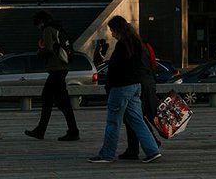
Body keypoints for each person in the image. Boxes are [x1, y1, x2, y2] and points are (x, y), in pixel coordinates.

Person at [89, 15, 161, 164]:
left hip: (120, 88)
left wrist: (109, 86)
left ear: (117, 29)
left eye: (112, 30)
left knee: (113, 122)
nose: (112, 34)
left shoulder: (122, 45)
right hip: (136, 86)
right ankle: (152, 150)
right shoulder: (137, 42)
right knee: (137, 120)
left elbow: (115, 69)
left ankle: (107, 154)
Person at [24, 11, 79, 141]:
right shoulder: (57, 28)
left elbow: (48, 49)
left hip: (56, 69)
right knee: (51, 99)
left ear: (40, 22)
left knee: (57, 100)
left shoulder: (47, 30)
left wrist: (39, 51)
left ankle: (72, 131)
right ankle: (41, 130)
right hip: (62, 68)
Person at [119, 33, 159, 161]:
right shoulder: (145, 46)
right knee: (139, 115)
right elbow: (153, 65)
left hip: (139, 84)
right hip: (149, 83)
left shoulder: (133, 47)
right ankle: (140, 146)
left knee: (134, 116)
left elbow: (131, 68)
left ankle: (146, 144)